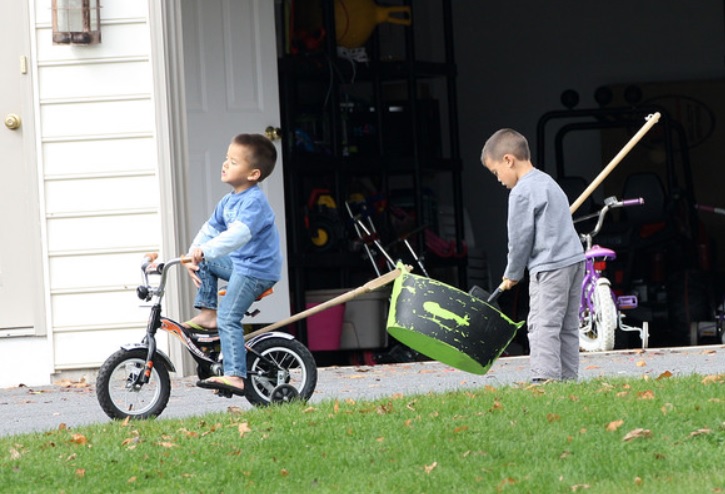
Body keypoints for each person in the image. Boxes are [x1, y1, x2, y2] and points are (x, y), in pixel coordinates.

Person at [481, 128, 585, 382]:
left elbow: (519, 238)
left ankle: (545, 379)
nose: (498, 179)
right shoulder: (548, 182)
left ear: (508, 160)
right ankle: (568, 378)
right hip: (574, 260)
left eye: (496, 173)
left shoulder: (521, 192)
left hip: (549, 267)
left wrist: (513, 272)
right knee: (567, 326)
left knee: (542, 324)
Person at [184, 133, 282, 396]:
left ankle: (235, 375)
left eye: (233, 161)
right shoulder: (228, 201)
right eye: (226, 159)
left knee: (230, 316)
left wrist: (205, 251)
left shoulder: (254, 202)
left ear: (253, 174)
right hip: (241, 264)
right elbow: (209, 229)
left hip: (257, 270)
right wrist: (192, 254)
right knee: (204, 261)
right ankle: (208, 314)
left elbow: (237, 235)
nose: (225, 164)